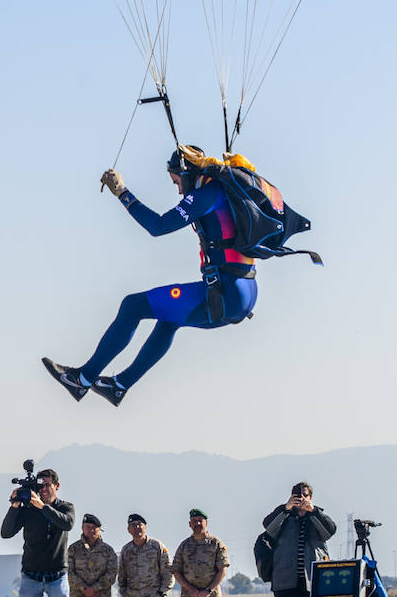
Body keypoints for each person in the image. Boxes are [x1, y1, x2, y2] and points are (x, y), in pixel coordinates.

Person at [42, 145, 259, 407]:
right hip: (243, 293)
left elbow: (157, 226)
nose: (179, 190)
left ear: (187, 175)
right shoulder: (227, 192)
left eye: (177, 182)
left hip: (225, 293)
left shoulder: (207, 195)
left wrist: (122, 192)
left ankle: (82, 380)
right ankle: (119, 386)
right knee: (169, 318)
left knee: (132, 306)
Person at [0, 468, 77, 597]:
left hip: (57, 576)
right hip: (31, 576)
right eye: (39, 487)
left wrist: (43, 507)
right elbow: (6, 532)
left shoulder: (65, 507)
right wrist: (14, 505)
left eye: (47, 485)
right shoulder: (28, 510)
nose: (43, 490)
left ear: (57, 486)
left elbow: (67, 523)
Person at [263, 481, 336, 597]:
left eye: (305, 495)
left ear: (311, 497)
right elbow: (268, 528)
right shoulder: (283, 515)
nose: (301, 499)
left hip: (313, 584)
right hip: (285, 582)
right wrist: (285, 509)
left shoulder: (317, 516)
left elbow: (329, 531)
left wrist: (314, 511)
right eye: (297, 495)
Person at [171, 508, 229, 597]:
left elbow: (222, 570)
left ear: (206, 523)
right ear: (190, 524)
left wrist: (209, 589)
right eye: (194, 521)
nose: (197, 524)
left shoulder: (216, 543)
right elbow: (176, 571)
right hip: (189, 596)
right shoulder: (184, 546)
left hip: (211, 595)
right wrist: (191, 589)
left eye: (200, 521)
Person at [118, 513, 173, 597]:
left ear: (145, 527)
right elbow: (122, 575)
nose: (137, 528)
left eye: (139, 525)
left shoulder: (156, 546)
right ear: (128, 530)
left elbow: (168, 571)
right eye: (133, 525)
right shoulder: (126, 550)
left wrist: (162, 592)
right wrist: (125, 595)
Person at [66, 513, 118, 597]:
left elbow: (111, 574)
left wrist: (94, 589)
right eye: (88, 527)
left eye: (94, 527)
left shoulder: (107, 550)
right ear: (82, 528)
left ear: (100, 529)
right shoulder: (73, 549)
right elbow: (69, 572)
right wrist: (84, 589)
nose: (91, 530)